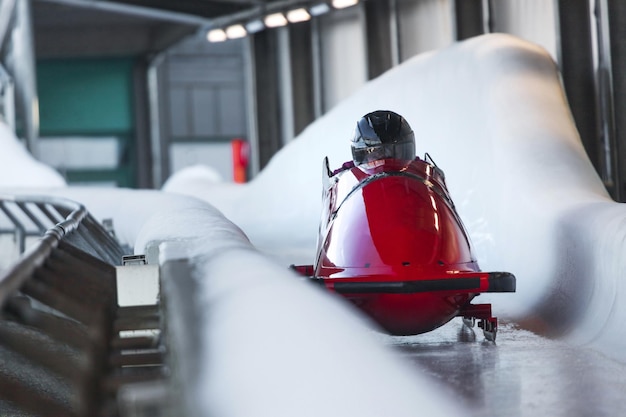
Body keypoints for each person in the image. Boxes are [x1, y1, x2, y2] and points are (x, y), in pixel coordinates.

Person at [334, 110, 416, 174]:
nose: (384, 159)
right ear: (363, 155)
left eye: (390, 152)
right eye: (376, 152)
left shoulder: (416, 168)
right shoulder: (351, 173)